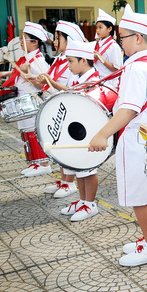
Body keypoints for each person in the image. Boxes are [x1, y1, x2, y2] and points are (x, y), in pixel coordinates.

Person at [88, 4, 147, 267]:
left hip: (136, 139)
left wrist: (102, 134)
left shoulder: (135, 67)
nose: (120, 43)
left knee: (139, 197)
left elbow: (127, 110)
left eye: (122, 38)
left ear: (137, 38)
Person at [0, 22, 51, 177]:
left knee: (34, 131)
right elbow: (17, 72)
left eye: (24, 38)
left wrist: (31, 77)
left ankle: (44, 162)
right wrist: (4, 75)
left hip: (33, 99)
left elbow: (44, 85)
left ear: (34, 42)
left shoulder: (39, 61)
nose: (21, 41)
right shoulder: (26, 58)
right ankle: (35, 161)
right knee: (25, 130)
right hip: (23, 98)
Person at [56, 41, 102, 221]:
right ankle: (83, 200)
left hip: (88, 130)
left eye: (70, 61)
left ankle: (90, 204)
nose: (68, 66)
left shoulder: (93, 80)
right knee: (79, 167)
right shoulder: (82, 78)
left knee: (88, 168)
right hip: (79, 129)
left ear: (84, 60)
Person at [39, 21, 87, 197]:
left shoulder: (72, 61)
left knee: (65, 145)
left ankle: (69, 182)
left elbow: (67, 88)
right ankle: (63, 180)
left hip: (67, 107)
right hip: (56, 104)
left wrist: (48, 82)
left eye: (58, 37)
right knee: (57, 145)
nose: (55, 40)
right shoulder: (59, 60)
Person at [94, 9, 123, 87]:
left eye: (100, 27)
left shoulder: (113, 46)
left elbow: (116, 69)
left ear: (109, 29)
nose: (97, 30)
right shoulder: (99, 44)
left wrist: (100, 59)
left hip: (109, 84)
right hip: (98, 81)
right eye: (96, 28)